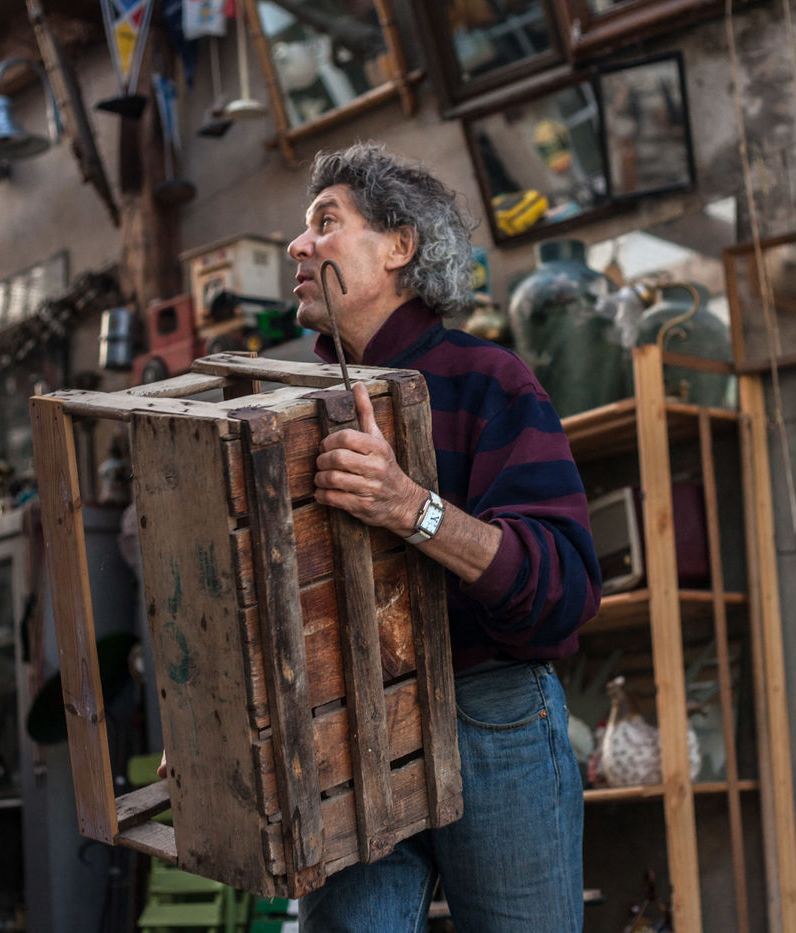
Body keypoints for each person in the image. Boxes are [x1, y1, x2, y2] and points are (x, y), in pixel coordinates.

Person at [288, 142, 601, 931]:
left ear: (399, 246)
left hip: (491, 714)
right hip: (346, 728)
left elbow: (565, 588)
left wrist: (408, 505)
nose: (298, 246)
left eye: (325, 222)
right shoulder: (292, 414)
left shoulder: (489, 378)